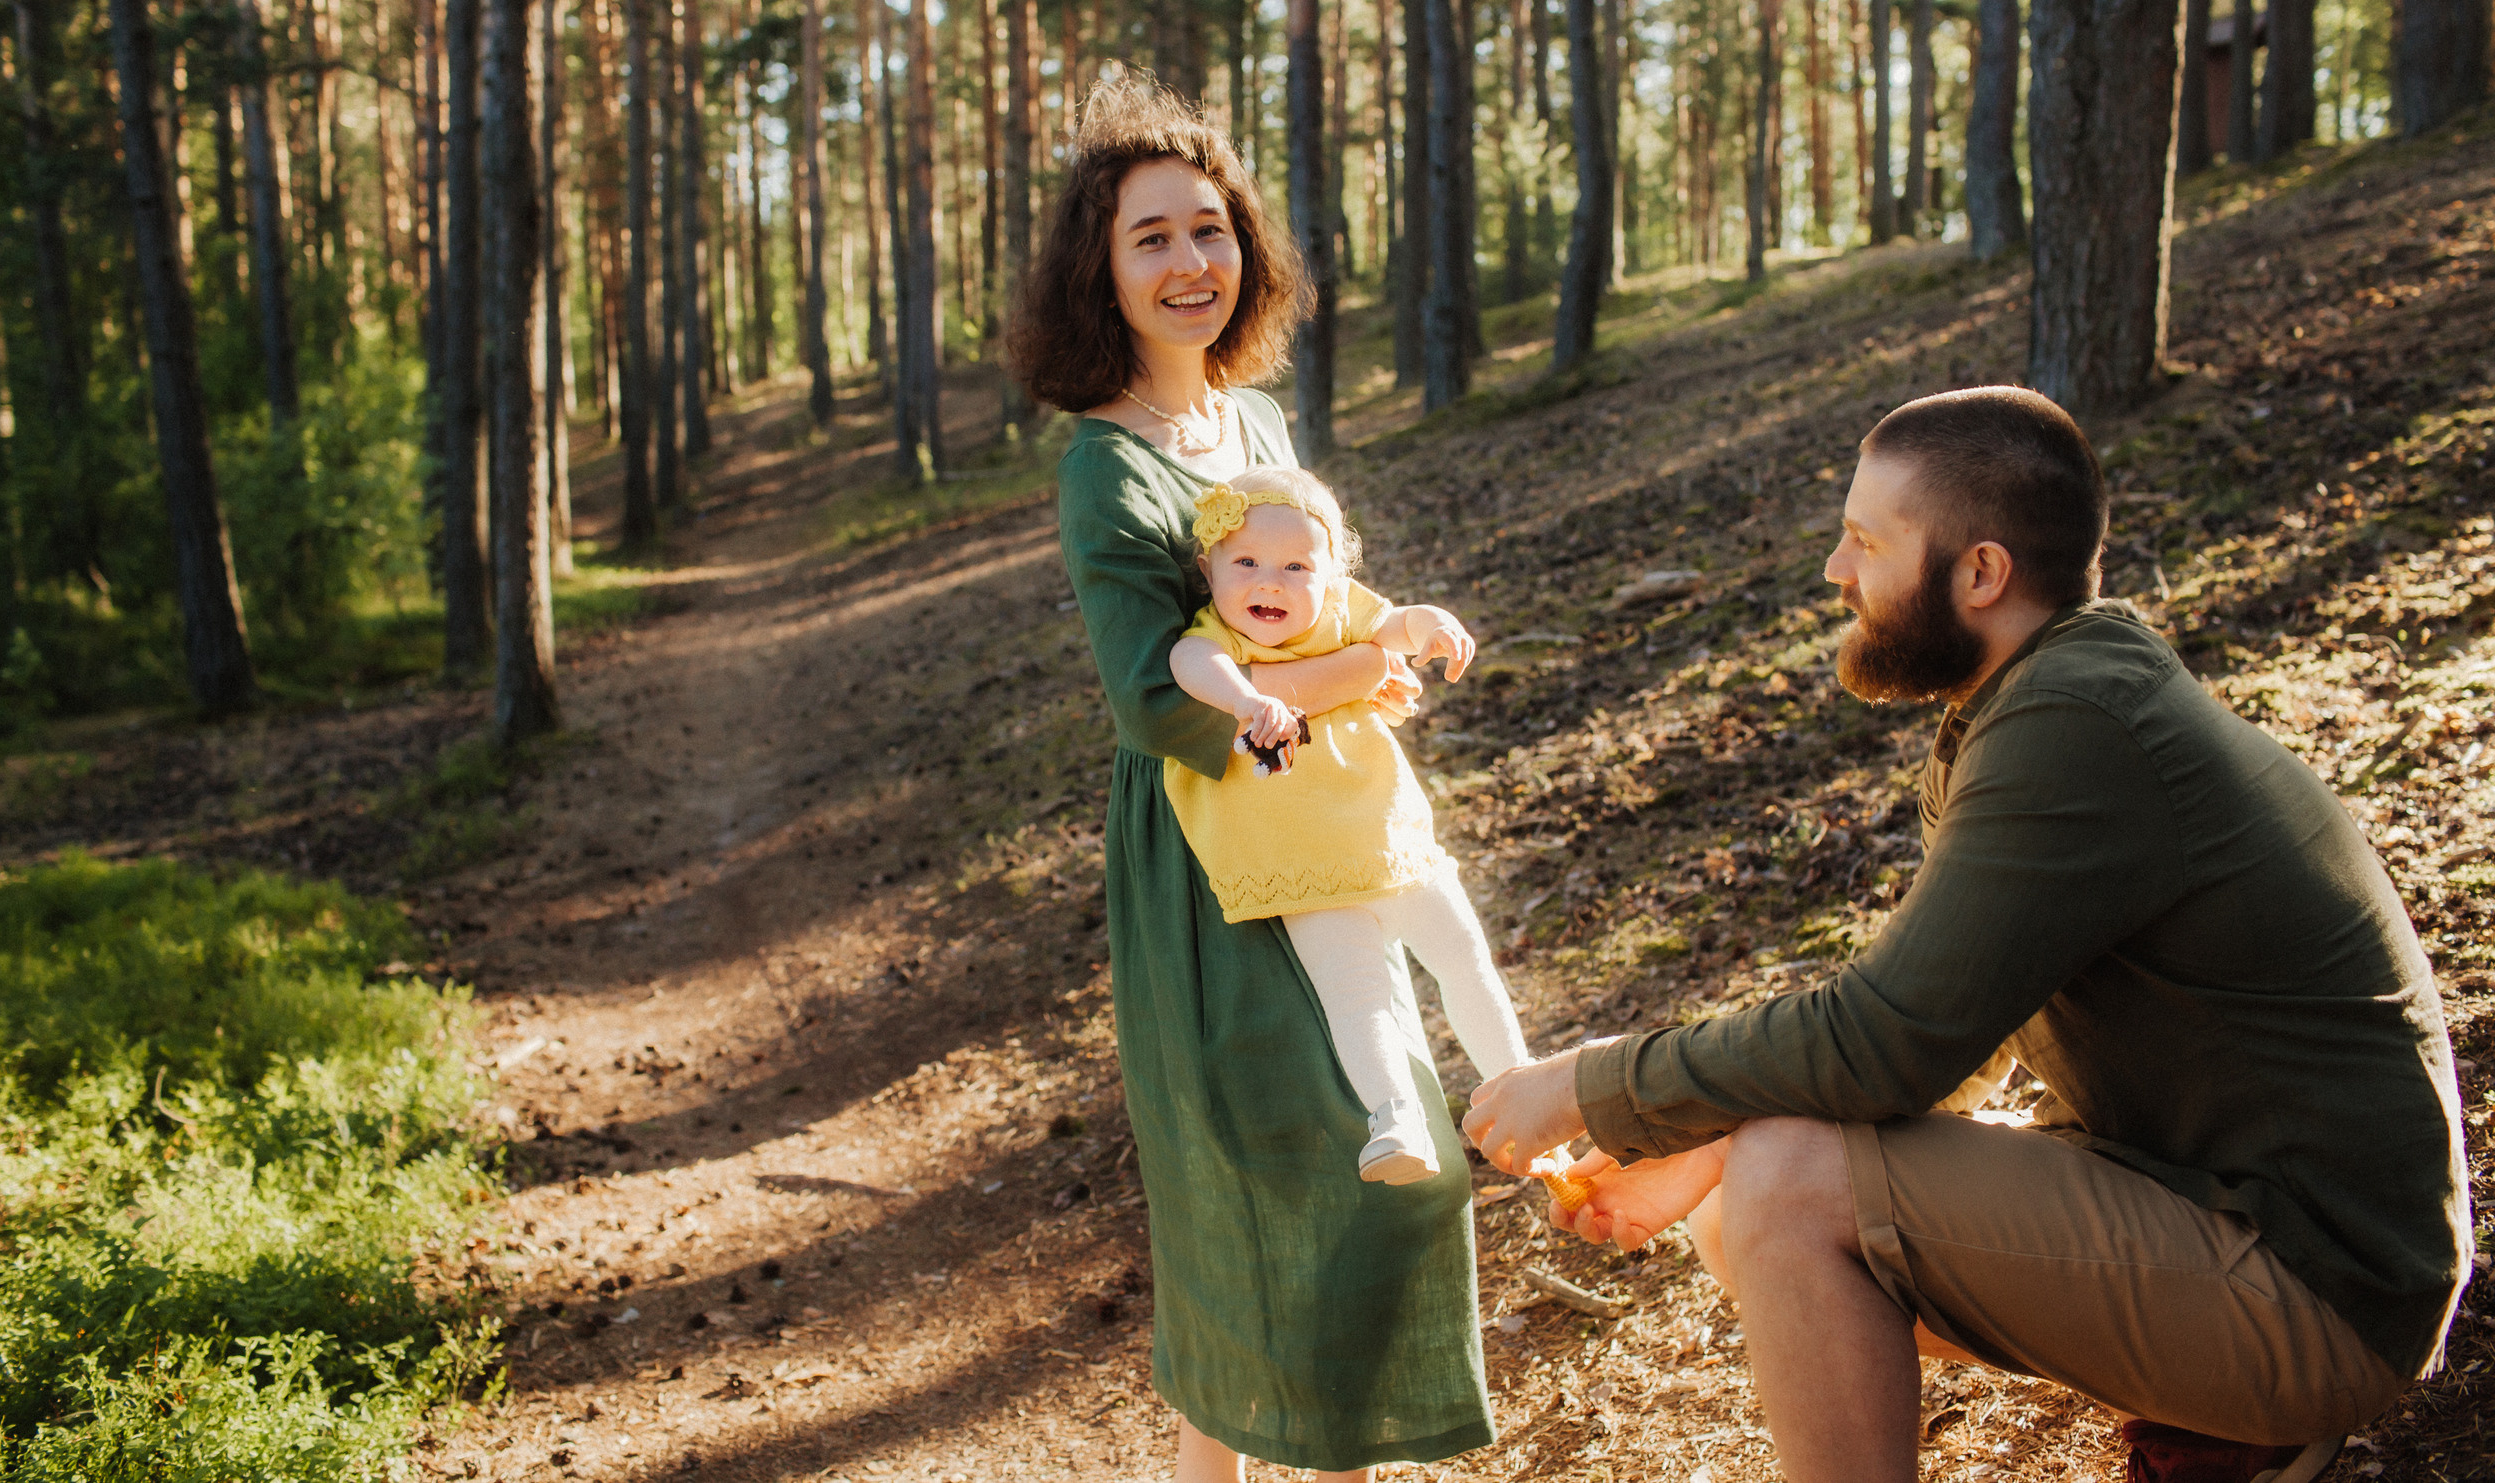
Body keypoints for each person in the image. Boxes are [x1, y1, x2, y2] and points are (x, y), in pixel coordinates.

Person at [1462, 386, 2469, 1483]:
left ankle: (2249, 1402)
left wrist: (1595, 1085)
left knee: (1792, 1185)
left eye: (1864, 542)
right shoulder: (2045, 695)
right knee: (1744, 1187)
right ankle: (2229, 1421)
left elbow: (1889, 1038)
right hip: (2249, 1228)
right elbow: (1957, 1026)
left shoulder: (2073, 725)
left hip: (2323, 1287)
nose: (1835, 574)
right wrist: (1693, 1142)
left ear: (1979, 573)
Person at [1011, 76, 1496, 1483]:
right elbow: (1156, 697)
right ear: (1100, 269)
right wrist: (1357, 678)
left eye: (1209, 229)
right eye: (1150, 238)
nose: (1187, 264)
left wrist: (1380, 639)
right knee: (1282, 1180)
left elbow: (1315, 601)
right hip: (1208, 855)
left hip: (1335, 830)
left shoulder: (1263, 426)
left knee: (1366, 1161)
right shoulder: (1108, 468)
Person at [1166, 464, 1530, 1184]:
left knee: (1461, 954)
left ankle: (1521, 1088)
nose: (1269, 582)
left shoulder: (1339, 613)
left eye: (1297, 566)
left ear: (1331, 573)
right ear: (1208, 571)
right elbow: (1188, 662)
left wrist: (1426, 623)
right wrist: (1245, 700)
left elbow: (1391, 623)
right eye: (1246, 563)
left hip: (1384, 831)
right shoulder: (1216, 642)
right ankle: (1395, 1120)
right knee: (1356, 997)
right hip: (1305, 865)